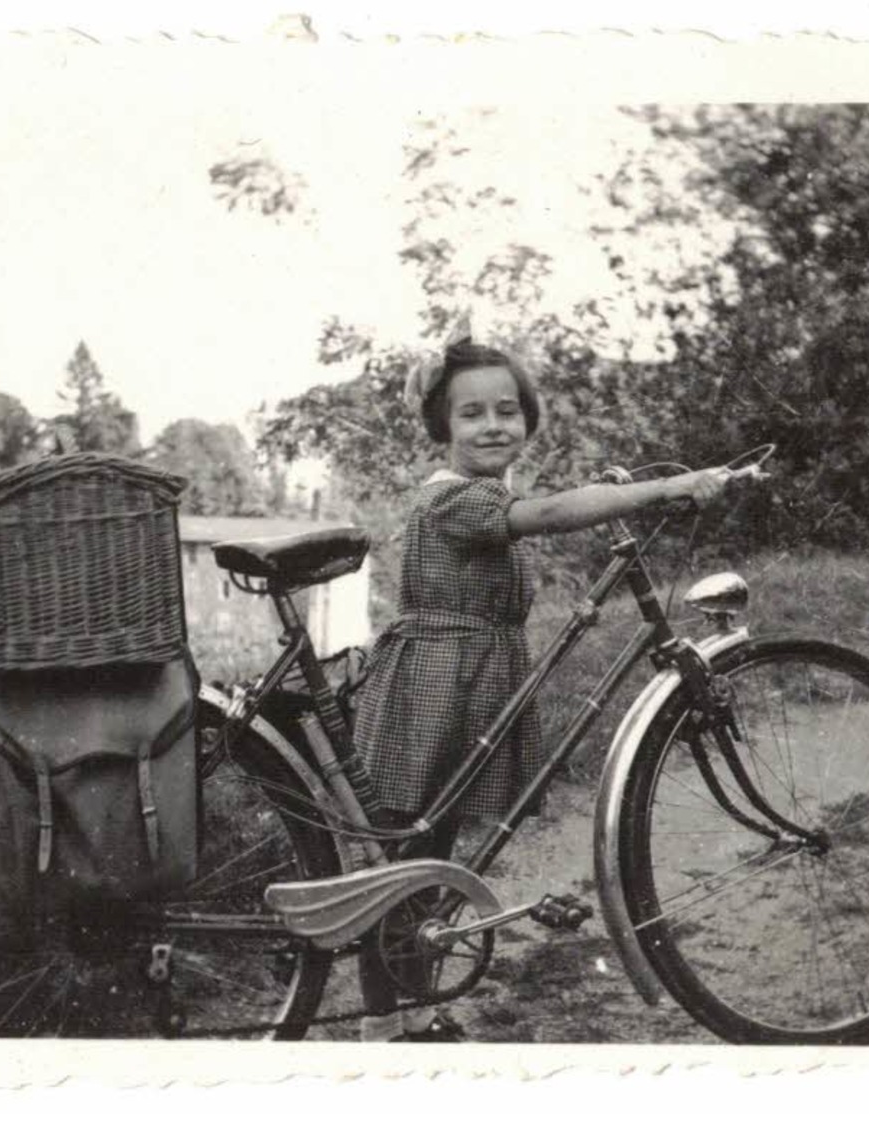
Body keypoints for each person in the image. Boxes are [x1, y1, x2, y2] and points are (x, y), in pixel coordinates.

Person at [352, 325, 745, 1041]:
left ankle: (416, 1011)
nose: (492, 425)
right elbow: (553, 514)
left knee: (428, 854)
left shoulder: (481, 492)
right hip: (434, 684)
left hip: (469, 677)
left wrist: (639, 489)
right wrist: (664, 489)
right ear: (441, 425)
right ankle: (384, 1028)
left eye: (507, 410)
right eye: (471, 414)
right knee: (410, 856)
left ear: (528, 421)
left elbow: (545, 509)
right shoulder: (453, 500)